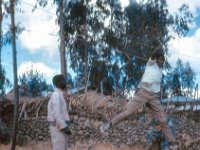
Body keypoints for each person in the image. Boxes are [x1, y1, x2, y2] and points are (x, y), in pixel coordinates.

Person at [100, 46, 176, 148]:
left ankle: (172, 143)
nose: (162, 61)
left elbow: (157, 84)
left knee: (163, 120)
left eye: (163, 60)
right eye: (160, 59)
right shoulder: (151, 63)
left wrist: (158, 98)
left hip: (154, 97)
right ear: (156, 59)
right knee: (128, 112)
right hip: (143, 93)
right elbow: (154, 53)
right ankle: (109, 125)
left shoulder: (160, 69)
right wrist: (159, 46)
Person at [47, 74, 71, 150]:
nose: (65, 82)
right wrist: (64, 127)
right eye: (62, 81)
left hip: (59, 127)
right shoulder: (56, 95)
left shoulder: (59, 94)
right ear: (57, 83)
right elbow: (57, 113)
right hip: (58, 128)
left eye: (64, 80)